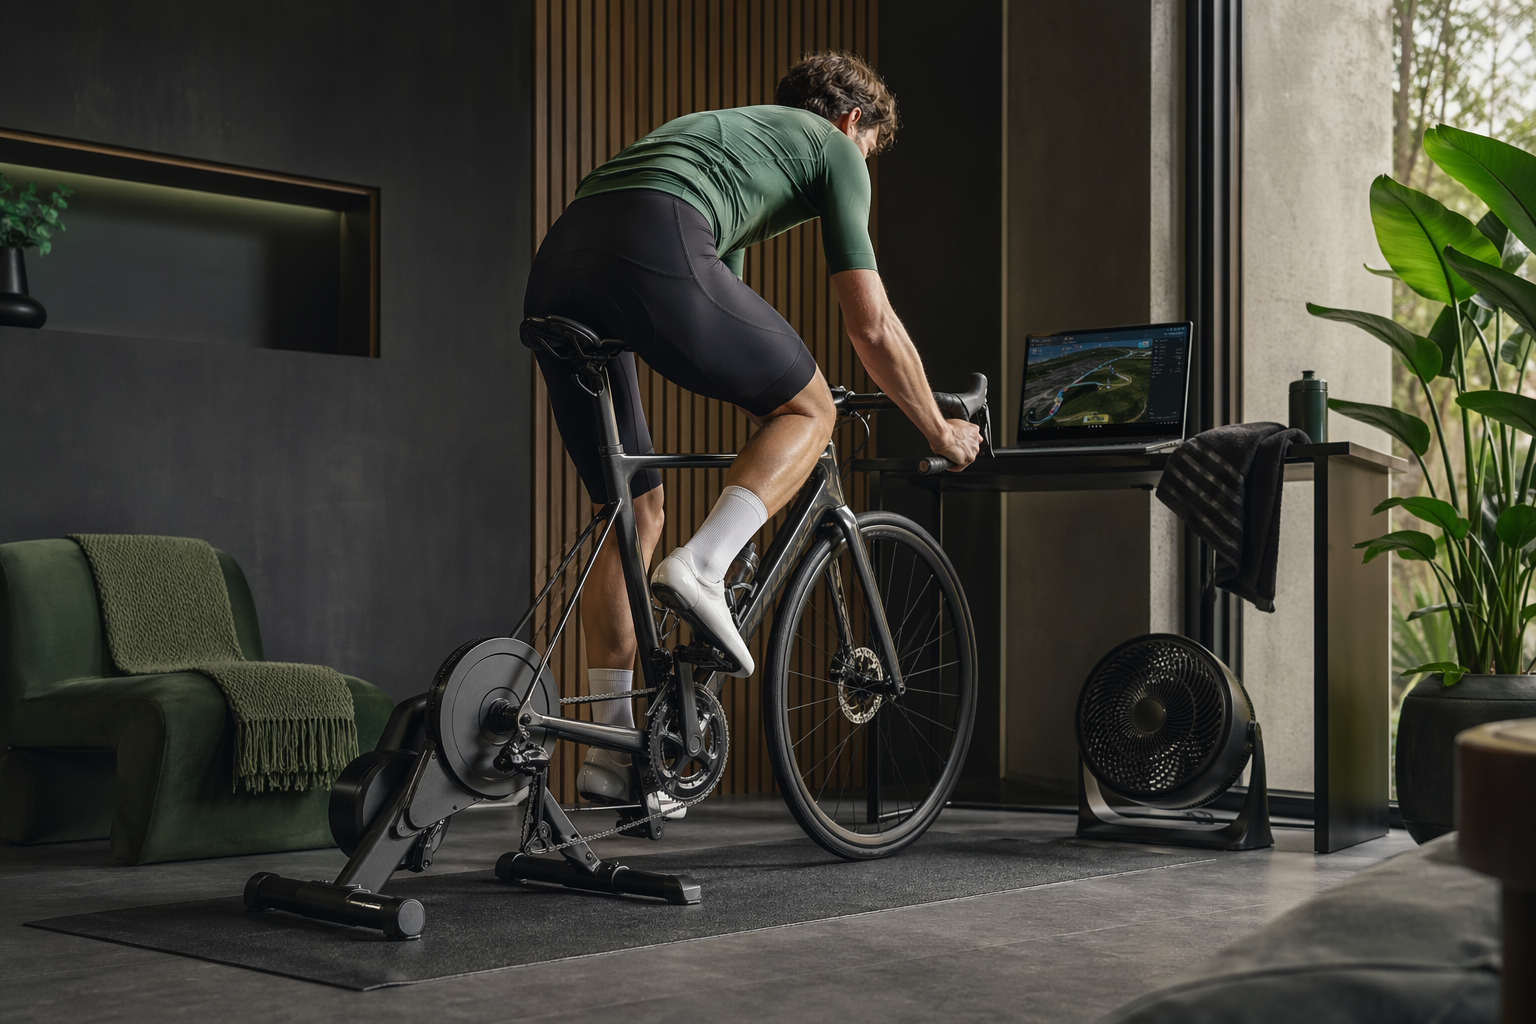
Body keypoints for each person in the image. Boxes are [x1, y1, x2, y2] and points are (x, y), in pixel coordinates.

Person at [524, 51, 981, 815]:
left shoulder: (733, 141)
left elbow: (722, 305)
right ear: (852, 121)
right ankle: (703, 569)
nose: (864, 164)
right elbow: (870, 324)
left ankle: (612, 750)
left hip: (560, 266)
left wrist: (765, 402)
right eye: (870, 149)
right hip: (655, 237)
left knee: (632, 513)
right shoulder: (834, 147)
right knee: (812, 410)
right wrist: (938, 428)